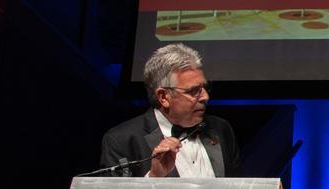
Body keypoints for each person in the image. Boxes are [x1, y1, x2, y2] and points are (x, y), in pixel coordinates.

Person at [99, 43, 240, 177]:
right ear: (163, 97)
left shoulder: (221, 129)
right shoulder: (121, 140)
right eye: (193, 91)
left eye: (205, 88)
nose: (205, 97)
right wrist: (154, 177)